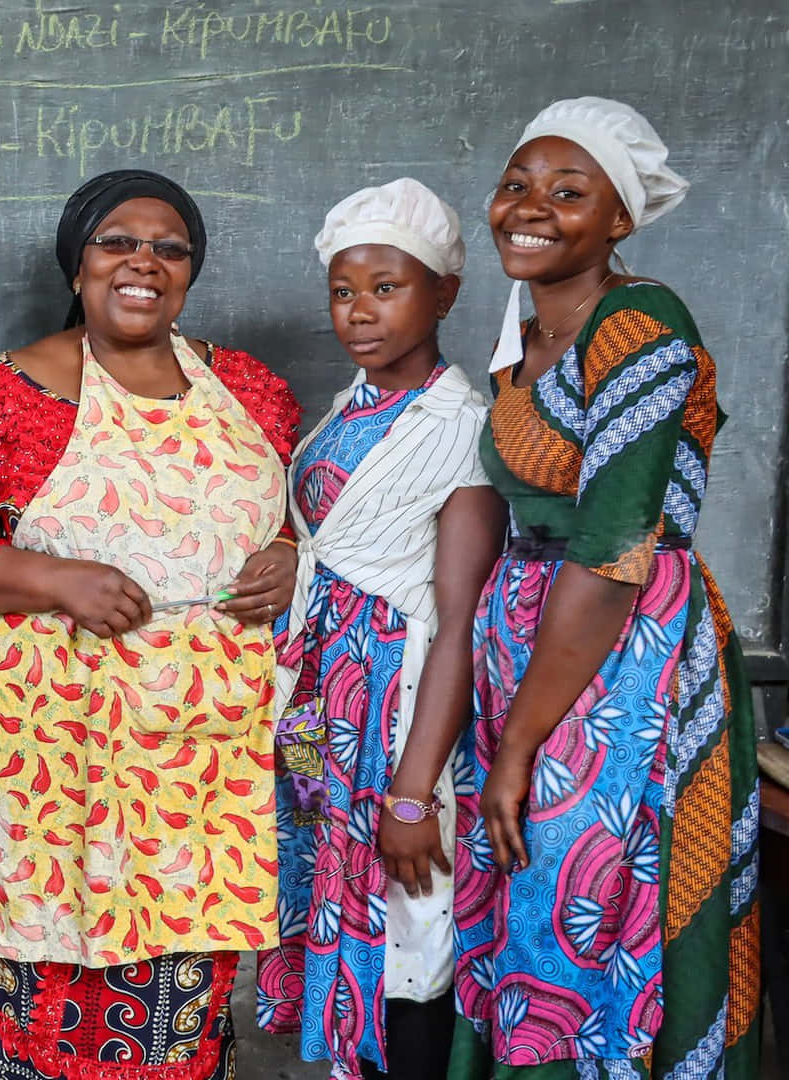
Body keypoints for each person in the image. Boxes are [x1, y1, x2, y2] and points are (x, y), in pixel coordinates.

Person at [0, 169, 303, 1080]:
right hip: (55, 747)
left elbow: (302, 518)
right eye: (117, 244)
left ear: (192, 272)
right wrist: (60, 581)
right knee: (36, 967)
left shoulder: (250, 388)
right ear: (78, 264)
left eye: (169, 249)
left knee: (179, 989)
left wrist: (294, 557)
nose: (144, 263)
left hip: (200, 761)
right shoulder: (9, 393)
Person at [451, 98, 759, 1078]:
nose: (529, 207)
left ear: (619, 220)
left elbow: (613, 551)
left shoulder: (640, 322)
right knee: (520, 906)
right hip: (531, 659)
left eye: (568, 191)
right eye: (516, 184)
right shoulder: (520, 350)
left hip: (622, 663)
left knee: (581, 899)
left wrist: (518, 748)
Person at [253, 178, 505, 1079]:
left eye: (386, 287)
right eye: (343, 289)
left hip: (401, 725)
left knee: (411, 935)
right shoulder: (349, 407)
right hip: (329, 713)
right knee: (349, 926)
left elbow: (458, 620)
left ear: (445, 291)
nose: (358, 311)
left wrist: (410, 792)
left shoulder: (461, 428)